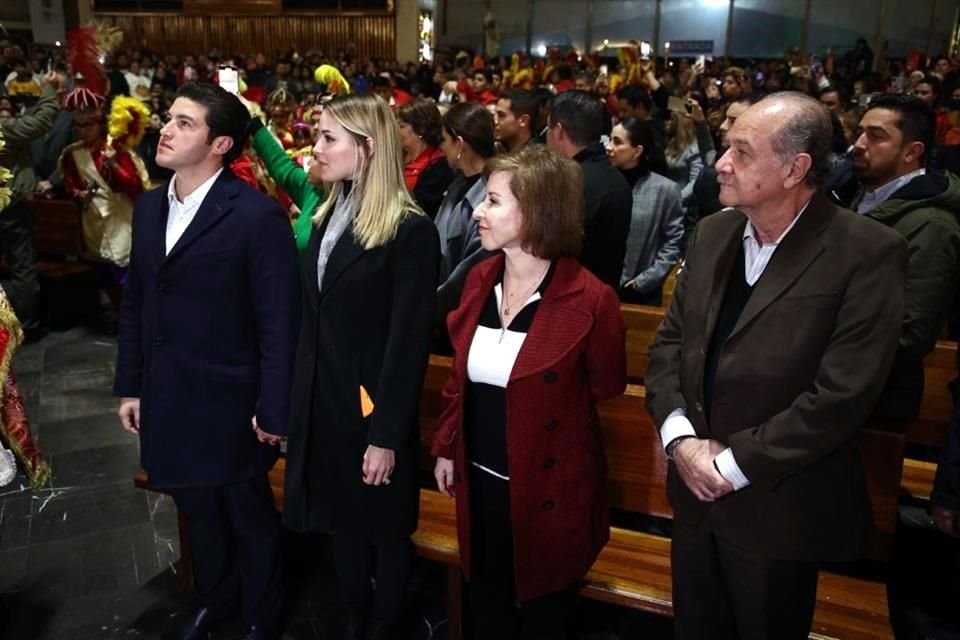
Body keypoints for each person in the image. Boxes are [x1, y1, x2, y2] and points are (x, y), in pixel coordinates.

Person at [645, 92, 907, 640]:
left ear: (795, 168)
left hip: (777, 504)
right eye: (725, 147)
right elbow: (669, 347)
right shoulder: (714, 232)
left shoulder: (866, 252)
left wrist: (731, 466)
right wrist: (681, 443)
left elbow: (842, 395)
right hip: (693, 495)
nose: (721, 163)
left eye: (741, 151)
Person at [113, 82, 301, 640]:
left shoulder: (255, 216)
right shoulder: (149, 207)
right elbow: (137, 304)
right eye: (168, 118)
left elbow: (278, 322)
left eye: (184, 123)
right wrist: (132, 386)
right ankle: (216, 602)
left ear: (221, 143)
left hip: (230, 398)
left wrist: (274, 409)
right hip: (169, 394)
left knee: (247, 514)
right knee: (199, 512)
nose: (165, 130)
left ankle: (262, 613)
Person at [431, 144, 626, 639]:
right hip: (479, 482)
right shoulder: (480, 278)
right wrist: (447, 446)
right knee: (488, 607)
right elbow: (459, 378)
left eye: (494, 201)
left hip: (548, 492)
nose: (479, 211)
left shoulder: (590, 299)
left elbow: (606, 385)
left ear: (537, 210)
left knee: (544, 617)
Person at [281, 93, 439, 640]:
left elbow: (408, 342)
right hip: (325, 402)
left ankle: (383, 624)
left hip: (371, 411)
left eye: (329, 138)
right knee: (341, 524)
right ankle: (352, 618)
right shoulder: (330, 212)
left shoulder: (410, 229)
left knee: (385, 530)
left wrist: (387, 435)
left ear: (367, 149)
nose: (316, 148)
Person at [851, 94, 960, 421]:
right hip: (842, 385)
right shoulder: (859, 198)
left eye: (876, 136)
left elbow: (910, 333)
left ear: (913, 152)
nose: (858, 144)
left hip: (878, 396)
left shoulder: (932, 225)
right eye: (860, 132)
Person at [546, 89, 632, 289]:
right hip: (603, 297)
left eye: (547, 129)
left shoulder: (566, 181)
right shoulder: (617, 178)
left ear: (558, 131)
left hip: (566, 298)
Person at [0, 69, 61, 339]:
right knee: (22, 269)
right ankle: (27, 327)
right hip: (9, 211)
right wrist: (48, 89)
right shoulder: (4, 129)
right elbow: (41, 121)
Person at [606, 118, 684, 306]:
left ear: (637, 151)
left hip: (640, 291)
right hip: (600, 285)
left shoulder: (665, 190)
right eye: (609, 140)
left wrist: (643, 281)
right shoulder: (602, 182)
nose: (608, 147)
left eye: (617, 142)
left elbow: (672, 243)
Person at [434, 101, 497, 324]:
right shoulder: (458, 184)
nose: (441, 147)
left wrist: (428, 308)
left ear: (460, 144)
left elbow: (466, 276)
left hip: (461, 316)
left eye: (444, 140)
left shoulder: (492, 196)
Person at [397, 97, 454, 219]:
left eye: (401, 126)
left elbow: (423, 207)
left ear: (421, 129)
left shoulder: (438, 165)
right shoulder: (397, 156)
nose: (396, 131)